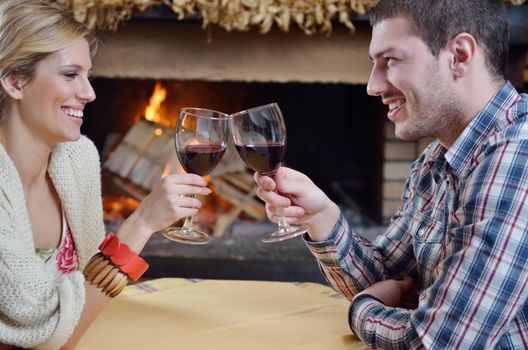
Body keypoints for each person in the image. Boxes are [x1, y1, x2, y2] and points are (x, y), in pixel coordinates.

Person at [255, 0, 528, 348]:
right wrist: (321, 217)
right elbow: (388, 278)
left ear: (458, 55)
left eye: (391, 61)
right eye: (374, 64)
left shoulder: (517, 155)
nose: (372, 86)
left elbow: (438, 342)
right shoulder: (435, 161)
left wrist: (362, 310)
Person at [0, 1, 212, 348]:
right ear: (15, 82)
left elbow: (86, 291)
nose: (89, 93)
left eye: (87, 75)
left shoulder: (77, 158)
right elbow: (48, 340)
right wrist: (141, 222)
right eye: (70, 75)